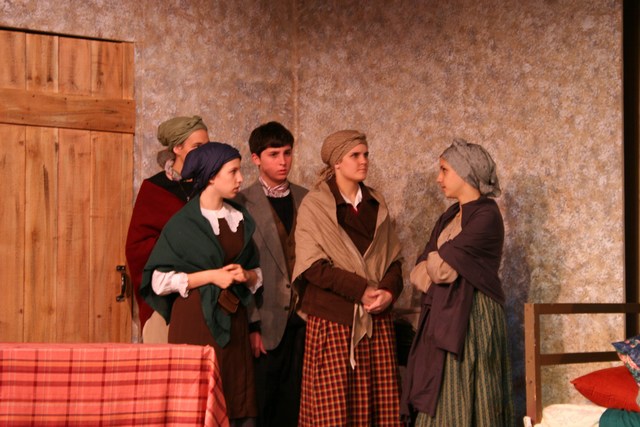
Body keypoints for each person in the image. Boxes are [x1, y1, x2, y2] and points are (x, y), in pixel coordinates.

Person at [140, 142, 262, 426]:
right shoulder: (183, 223)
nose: (240, 178)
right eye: (233, 172)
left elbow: (257, 273)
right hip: (194, 323)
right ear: (211, 176)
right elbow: (157, 281)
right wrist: (210, 276)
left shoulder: (239, 218)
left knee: (235, 399)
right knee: (195, 404)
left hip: (234, 322)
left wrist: (246, 275)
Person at [292, 130, 404, 426]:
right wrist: (361, 289)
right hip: (334, 321)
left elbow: (394, 261)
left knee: (379, 409)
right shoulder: (316, 206)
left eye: (365, 154)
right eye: (355, 155)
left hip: (376, 320)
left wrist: (388, 293)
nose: (363, 160)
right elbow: (312, 267)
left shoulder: (376, 204)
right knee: (334, 412)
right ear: (337, 162)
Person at [401, 138, 514, 426]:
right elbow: (418, 271)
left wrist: (436, 263)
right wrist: (435, 263)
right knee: (439, 395)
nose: (438, 179)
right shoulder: (450, 216)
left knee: (470, 393)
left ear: (466, 173)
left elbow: (440, 271)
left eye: (444, 170)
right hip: (443, 313)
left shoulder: (486, 215)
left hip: (473, 317)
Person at [234, 121, 308, 427]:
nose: (283, 161)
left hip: (304, 318)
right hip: (265, 319)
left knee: (298, 404)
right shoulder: (241, 202)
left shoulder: (307, 198)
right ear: (256, 158)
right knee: (264, 404)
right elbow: (240, 265)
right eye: (274, 154)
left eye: (287, 153)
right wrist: (252, 325)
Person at [125, 115, 209, 342]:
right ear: (177, 148)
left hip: (205, 299)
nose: (205, 153)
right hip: (164, 302)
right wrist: (178, 254)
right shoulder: (155, 189)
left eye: (207, 146)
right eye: (197, 147)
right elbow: (136, 247)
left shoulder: (211, 188)